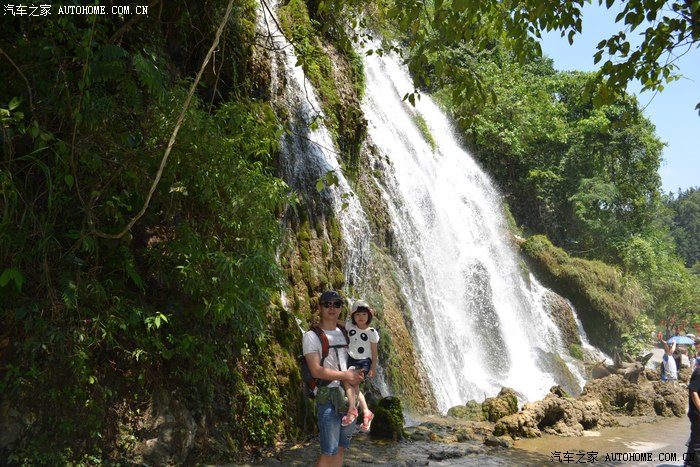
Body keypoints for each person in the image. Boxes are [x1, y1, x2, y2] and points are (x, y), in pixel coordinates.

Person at [303, 290, 364, 467]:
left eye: (336, 304)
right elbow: (316, 370)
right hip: (327, 398)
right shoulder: (311, 336)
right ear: (319, 308)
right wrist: (346, 375)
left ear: (341, 308)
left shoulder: (345, 332)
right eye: (327, 304)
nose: (332, 308)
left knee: (341, 448)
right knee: (328, 452)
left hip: (349, 399)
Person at [341, 299, 379, 432]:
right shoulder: (350, 327)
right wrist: (329, 321)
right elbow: (340, 323)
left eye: (364, 314)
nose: (360, 317)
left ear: (369, 316)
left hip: (364, 361)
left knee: (350, 381)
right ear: (353, 316)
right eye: (357, 314)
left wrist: (373, 368)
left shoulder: (371, 332)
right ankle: (366, 412)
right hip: (352, 359)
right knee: (351, 384)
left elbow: (374, 352)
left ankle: (352, 410)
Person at [685, 357, 700, 466]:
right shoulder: (698, 373)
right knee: (697, 442)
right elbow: (693, 392)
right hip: (697, 414)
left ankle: (689, 463)